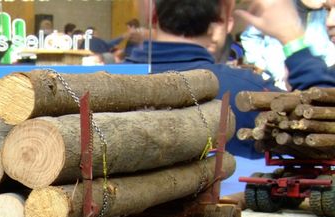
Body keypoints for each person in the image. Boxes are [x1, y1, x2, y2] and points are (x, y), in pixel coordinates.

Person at [126, 0, 335, 158]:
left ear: (150, 11)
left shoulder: (102, 84)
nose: (329, 22)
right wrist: (292, 39)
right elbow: (321, 127)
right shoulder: (249, 94)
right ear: (223, 18)